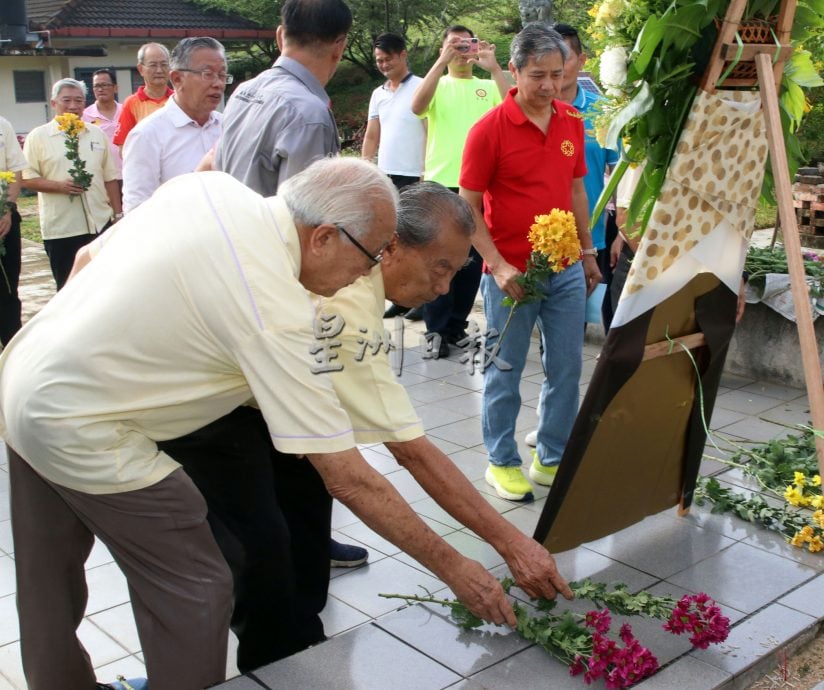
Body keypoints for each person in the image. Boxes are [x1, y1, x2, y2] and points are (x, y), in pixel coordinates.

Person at [71, 178, 574, 674]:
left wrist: (505, 547)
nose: (444, 289)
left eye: (455, 273)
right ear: (392, 245)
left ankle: (304, 648)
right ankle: (277, 665)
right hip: (202, 407)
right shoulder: (346, 301)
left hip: (278, 403)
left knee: (307, 539)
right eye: (440, 269)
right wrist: (490, 555)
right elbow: (398, 457)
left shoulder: (347, 263)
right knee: (262, 557)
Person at [216, 0, 367, 568]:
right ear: (341, 44)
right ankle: (302, 548)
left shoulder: (248, 89)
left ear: (282, 34)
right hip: (273, 285)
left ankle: (283, 544)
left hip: (231, 268)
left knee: (257, 427)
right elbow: (310, 228)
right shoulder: (306, 110)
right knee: (299, 428)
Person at [459, 24, 601, 502]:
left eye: (557, 75)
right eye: (537, 75)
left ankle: (552, 455)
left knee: (566, 366)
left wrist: (586, 251)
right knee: (506, 369)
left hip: (564, 269)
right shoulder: (488, 131)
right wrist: (497, 265)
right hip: (513, 275)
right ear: (514, 70)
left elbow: (577, 189)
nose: (549, 86)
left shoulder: (569, 121)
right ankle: (501, 462)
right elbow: (469, 206)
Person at [524, 23, 619, 448]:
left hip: (590, 239)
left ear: (577, 63)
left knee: (576, 339)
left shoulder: (599, 112)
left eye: (559, 65)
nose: (551, 77)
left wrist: (617, 231)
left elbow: (620, 169)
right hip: (539, 244)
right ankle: (554, 425)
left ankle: (570, 426)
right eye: (541, 69)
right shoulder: (526, 111)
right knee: (553, 344)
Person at [409, 24, 509, 357]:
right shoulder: (437, 83)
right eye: (454, 45)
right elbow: (416, 107)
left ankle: (455, 327)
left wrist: (494, 67)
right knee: (439, 259)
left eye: (467, 45)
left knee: (470, 261)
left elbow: (512, 106)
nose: (461, 52)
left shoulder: (486, 85)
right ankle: (435, 332)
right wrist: (440, 62)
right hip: (442, 182)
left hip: (480, 185)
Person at [21, 78, 121, 290]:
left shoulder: (96, 133)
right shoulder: (38, 137)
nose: (73, 106)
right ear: (54, 102)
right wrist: (59, 186)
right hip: (62, 228)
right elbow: (27, 178)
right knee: (68, 289)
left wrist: (118, 215)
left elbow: (110, 177)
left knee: (104, 286)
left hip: (100, 223)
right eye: (66, 100)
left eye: (79, 100)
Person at [362, 32, 427, 319]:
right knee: (393, 240)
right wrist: (365, 167)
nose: (384, 64)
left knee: (418, 239)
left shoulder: (422, 87)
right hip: (387, 174)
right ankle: (400, 296)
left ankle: (423, 300)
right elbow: (372, 134)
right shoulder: (378, 94)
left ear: (403, 55)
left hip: (416, 174)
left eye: (388, 58)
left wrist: (427, 170)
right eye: (379, 60)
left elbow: (429, 130)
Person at [122, 37, 227, 213]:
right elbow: (137, 212)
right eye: (207, 74)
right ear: (177, 79)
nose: (217, 84)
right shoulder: (147, 135)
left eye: (222, 75)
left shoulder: (227, 127)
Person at [112, 43, 173, 150]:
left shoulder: (179, 100)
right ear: (141, 69)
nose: (159, 70)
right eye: (153, 65)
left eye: (164, 64)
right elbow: (123, 148)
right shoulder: (131, 103)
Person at [0, 115, 26, 346]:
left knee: (8, 289)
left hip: (3, 220)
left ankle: (12, 350)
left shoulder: (3, 125)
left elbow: (16, 171)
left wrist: (7, 209)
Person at [82, 69, 123, 188]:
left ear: (115, 88)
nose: (100, 89)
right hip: (100, 178)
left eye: (105, 85)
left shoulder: (127, 111)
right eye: (96, 86)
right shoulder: (85, 116)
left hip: (127, 174)